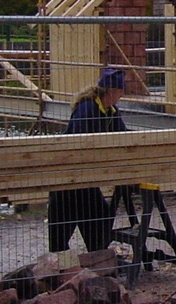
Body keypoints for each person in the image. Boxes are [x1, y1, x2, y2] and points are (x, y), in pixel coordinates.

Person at [47, 67, 127, 254]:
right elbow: (78, 143)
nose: (122, 95)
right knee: (61, 232)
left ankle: (97, 262)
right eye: (121, 91)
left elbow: (123, 135)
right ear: (112, 91)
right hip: (67, 179)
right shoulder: (87, 109)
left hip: (86, 178)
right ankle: (60, 271)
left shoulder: (111, 111)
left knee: (99, 219)